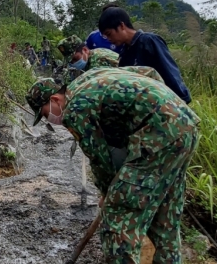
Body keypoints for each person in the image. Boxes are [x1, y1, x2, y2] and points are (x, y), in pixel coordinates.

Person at [25, 66, 200, 263]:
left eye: (46, 114)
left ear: (55, 99)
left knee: (117, 220)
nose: (51, 120)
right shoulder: (89, 77)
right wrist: (164, 106)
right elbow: (149, 72)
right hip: (184, 126)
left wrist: (108, 192)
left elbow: (99, 158)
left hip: (157, 138)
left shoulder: (74, 109)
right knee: (164, 220)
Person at [98, 6, 192, 104]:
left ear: (122, 26)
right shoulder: (124, 53)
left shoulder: (149, 41)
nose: (108, 39)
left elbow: (169, 72)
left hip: (167, 103)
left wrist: (182, 100)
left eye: (109, 34)